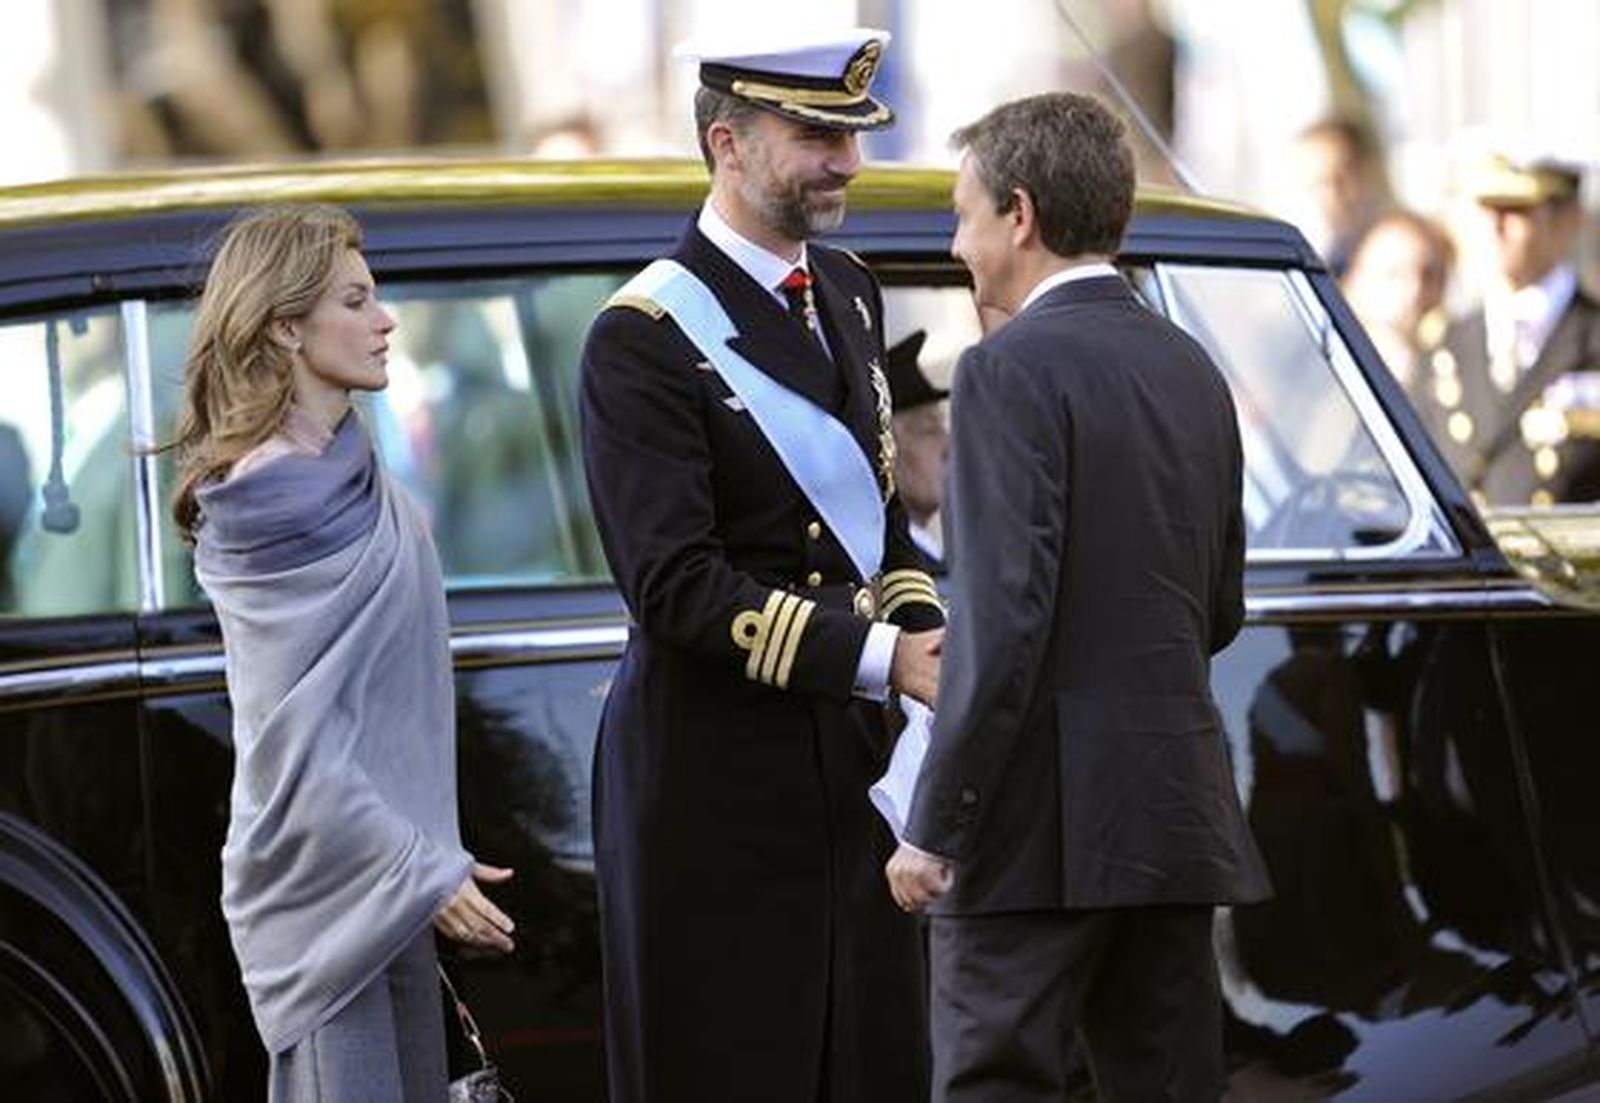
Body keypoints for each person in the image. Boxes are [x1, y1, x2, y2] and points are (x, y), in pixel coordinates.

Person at [578, 26, 945, 1103]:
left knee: (871, 1060)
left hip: (852, 762)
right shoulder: (642, 334)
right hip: (716, 777)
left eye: (851, 136)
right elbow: (673, 584)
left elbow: (879, 526)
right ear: (727, 143)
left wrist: (925, 630)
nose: (846, 163)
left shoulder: (849, 289)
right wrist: (887, 657)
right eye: (815, 135)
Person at [885, 92, 1272, 1101]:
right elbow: (1216, 604)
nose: (958, 243)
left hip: (1031, 830)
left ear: (1020, 215)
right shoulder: (1188, 365)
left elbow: (1004, 619)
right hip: (1170, 809)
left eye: (964, 215)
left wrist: (937, 822)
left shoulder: (1007, 370)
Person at [169, 205, 515, 1101]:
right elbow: (298, 749)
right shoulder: (268, 501)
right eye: (355, 300)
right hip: (326, 894)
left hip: (380, 871)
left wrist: (418, 864)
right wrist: (424, 870)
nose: (385, 317)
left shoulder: (346, 462)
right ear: (286, 325)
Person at [1423, 154, 1600, 505]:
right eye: (1485, 208)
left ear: (1568, 220)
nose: (1495, 226)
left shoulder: (1592, 334)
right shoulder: (1449, 340)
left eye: (1515, 209)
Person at [1341, 209, 1454, 402]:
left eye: (1429, 275)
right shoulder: (1328, 367)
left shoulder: (1454, 376)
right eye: (1396, 274)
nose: (1415, 290)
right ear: (1357, 279)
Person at [1294, 114, 1391, 279]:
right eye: (1318, 183)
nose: (1331, 195)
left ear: (1370, 171)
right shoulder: (1319, 255)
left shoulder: (1402, 253)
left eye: (1340, 178)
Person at [885, 328, 949, 570]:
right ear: (887, 452)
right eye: (928, 430)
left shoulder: (931, 560)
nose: (948, 446)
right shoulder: (892, 570)